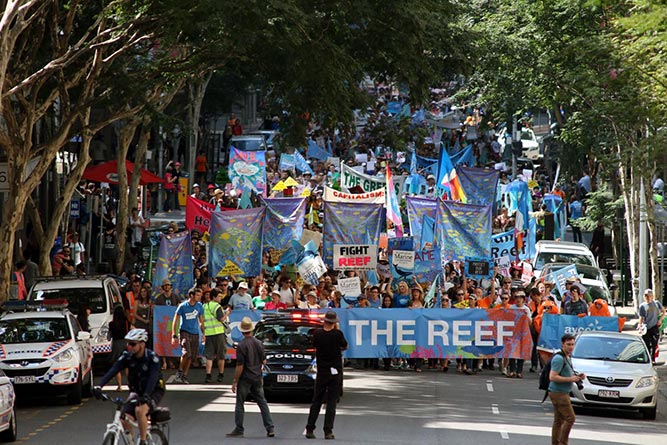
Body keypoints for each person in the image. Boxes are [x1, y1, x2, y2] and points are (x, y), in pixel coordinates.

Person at [94, 329, 165, 445]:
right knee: (123, 419)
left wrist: (146, 396)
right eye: (128, 343)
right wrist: (99, 386)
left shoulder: (152, 358)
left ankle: (142, 440)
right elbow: (113, 370)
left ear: (142, 344)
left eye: (133, 344)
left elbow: (152, 378)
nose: (129, 347)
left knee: (139, 410)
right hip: (137, 391)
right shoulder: (127, 357)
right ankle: (131, 441)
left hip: (153, 390)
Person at [227, 317, 275, 438]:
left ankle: (239, 428)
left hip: (245, 377)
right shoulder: (259, 343)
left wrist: (235, 381)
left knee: (240, 403)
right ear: (252, 330)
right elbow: (264, 361)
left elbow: (240, 366)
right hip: (257, 376)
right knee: (262, 402)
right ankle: (270, 428)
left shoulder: (242, 345)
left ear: (242, 331)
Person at [305, 311, 348, 440]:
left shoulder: (317, 334)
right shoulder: (337, 334)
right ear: (334, 323)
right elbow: (345, 346)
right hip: (334, 371)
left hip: (322, 371)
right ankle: (328, 431)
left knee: (317, 400)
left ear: (324, 321)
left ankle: (310, 428)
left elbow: (313, 345)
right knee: (331, 403)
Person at [548, 333, 585, 445]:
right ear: (562, 344)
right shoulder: (559, 358)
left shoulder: (566, 357)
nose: (571, 347)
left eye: (573, 344)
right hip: (559, 393)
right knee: (570, 418)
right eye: (568, 344)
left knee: (558, 420)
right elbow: (553, 376)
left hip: (560, 392)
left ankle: (556, 443)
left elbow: (565, 372)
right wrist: (571, 379)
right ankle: (563, 443)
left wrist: (578, 376)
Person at [171, 287, 206, 384]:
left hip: (195, 333)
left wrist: (203, 333)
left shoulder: (199, 306)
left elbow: (201, 321)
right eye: (198, 295)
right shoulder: (182, 306)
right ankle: (180, 371)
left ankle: (184, 375)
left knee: (191, 356)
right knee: (186, 352)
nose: (199, 297)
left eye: (200, 295)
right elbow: (175, 319)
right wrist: (174, 334)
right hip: (184, 331)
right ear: (191, 295)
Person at [203, 289, 230, 384]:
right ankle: (221, 374)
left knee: (209, 356)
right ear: (214, 297)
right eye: (219, 296)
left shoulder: (204, 306)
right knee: (221, 356)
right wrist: (227, 313)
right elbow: (221, 319)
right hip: (218, 333)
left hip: (208, 334)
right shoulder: (217, 306)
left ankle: (208, 375)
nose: (221, 298)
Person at [638, 288, 665, 363]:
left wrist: (660, 320)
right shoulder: (642, 306)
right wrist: (640, 326)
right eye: (646, 295)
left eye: (649, 295)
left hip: (654, 327)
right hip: (646, 327)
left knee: (654, 343)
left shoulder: (656, 303)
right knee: (646, 344)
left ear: (652, 296)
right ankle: (647, 358)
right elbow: (641, 317)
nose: (648, 297)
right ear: (644, 296)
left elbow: (663, 311)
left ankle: (653, 359)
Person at [109, 304, 131, 391]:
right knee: (127, 365)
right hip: (125, 343)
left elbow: (109, 336)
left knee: (116, 365)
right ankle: (130, 384)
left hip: (116, 344)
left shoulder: (111, 324)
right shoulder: (126, 322)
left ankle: (119, 386)